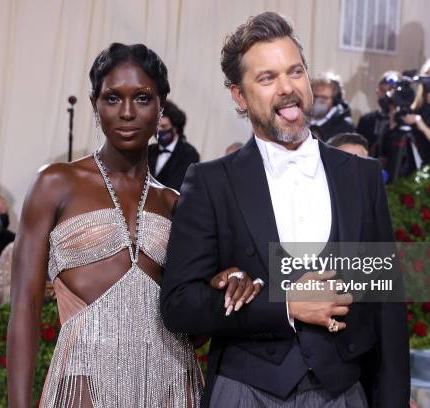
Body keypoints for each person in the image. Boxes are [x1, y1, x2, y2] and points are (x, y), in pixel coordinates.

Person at [161, 11, 409, 408]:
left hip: (343, 392)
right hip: (245, 392)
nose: (287, 88)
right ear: (239, 96)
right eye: (267, 78)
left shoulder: (361, 177)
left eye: (295, 72)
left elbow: (387, 311)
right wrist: (287, 304)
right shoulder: (211, 182)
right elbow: (180, 305)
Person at [7, 43, 204, 407]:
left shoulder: (175, 203)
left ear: (162, 106)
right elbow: (25, 306)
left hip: (172, 384)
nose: (127, 112)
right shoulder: (56, 184)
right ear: (95, 104)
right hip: (82, 379)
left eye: (142, 98)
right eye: (113, 98)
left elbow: (193, 322)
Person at [147, 100, 200, 190]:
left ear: (175, 127)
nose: (158, 131)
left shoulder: (189, 155)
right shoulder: (148, 151)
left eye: (164, 127)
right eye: (156, 126)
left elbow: (178, 187)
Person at [356, 71, 400, 153]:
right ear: (378, 92)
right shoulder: (366, 120)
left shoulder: (405, 122)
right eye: (383, 91)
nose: (386, 97)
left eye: (390, 92)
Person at [308, 72, 355, 141]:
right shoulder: (301, 118)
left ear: (335, 100)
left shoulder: (345, 127)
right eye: (315, 96)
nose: (317, 101)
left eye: (324, 98)